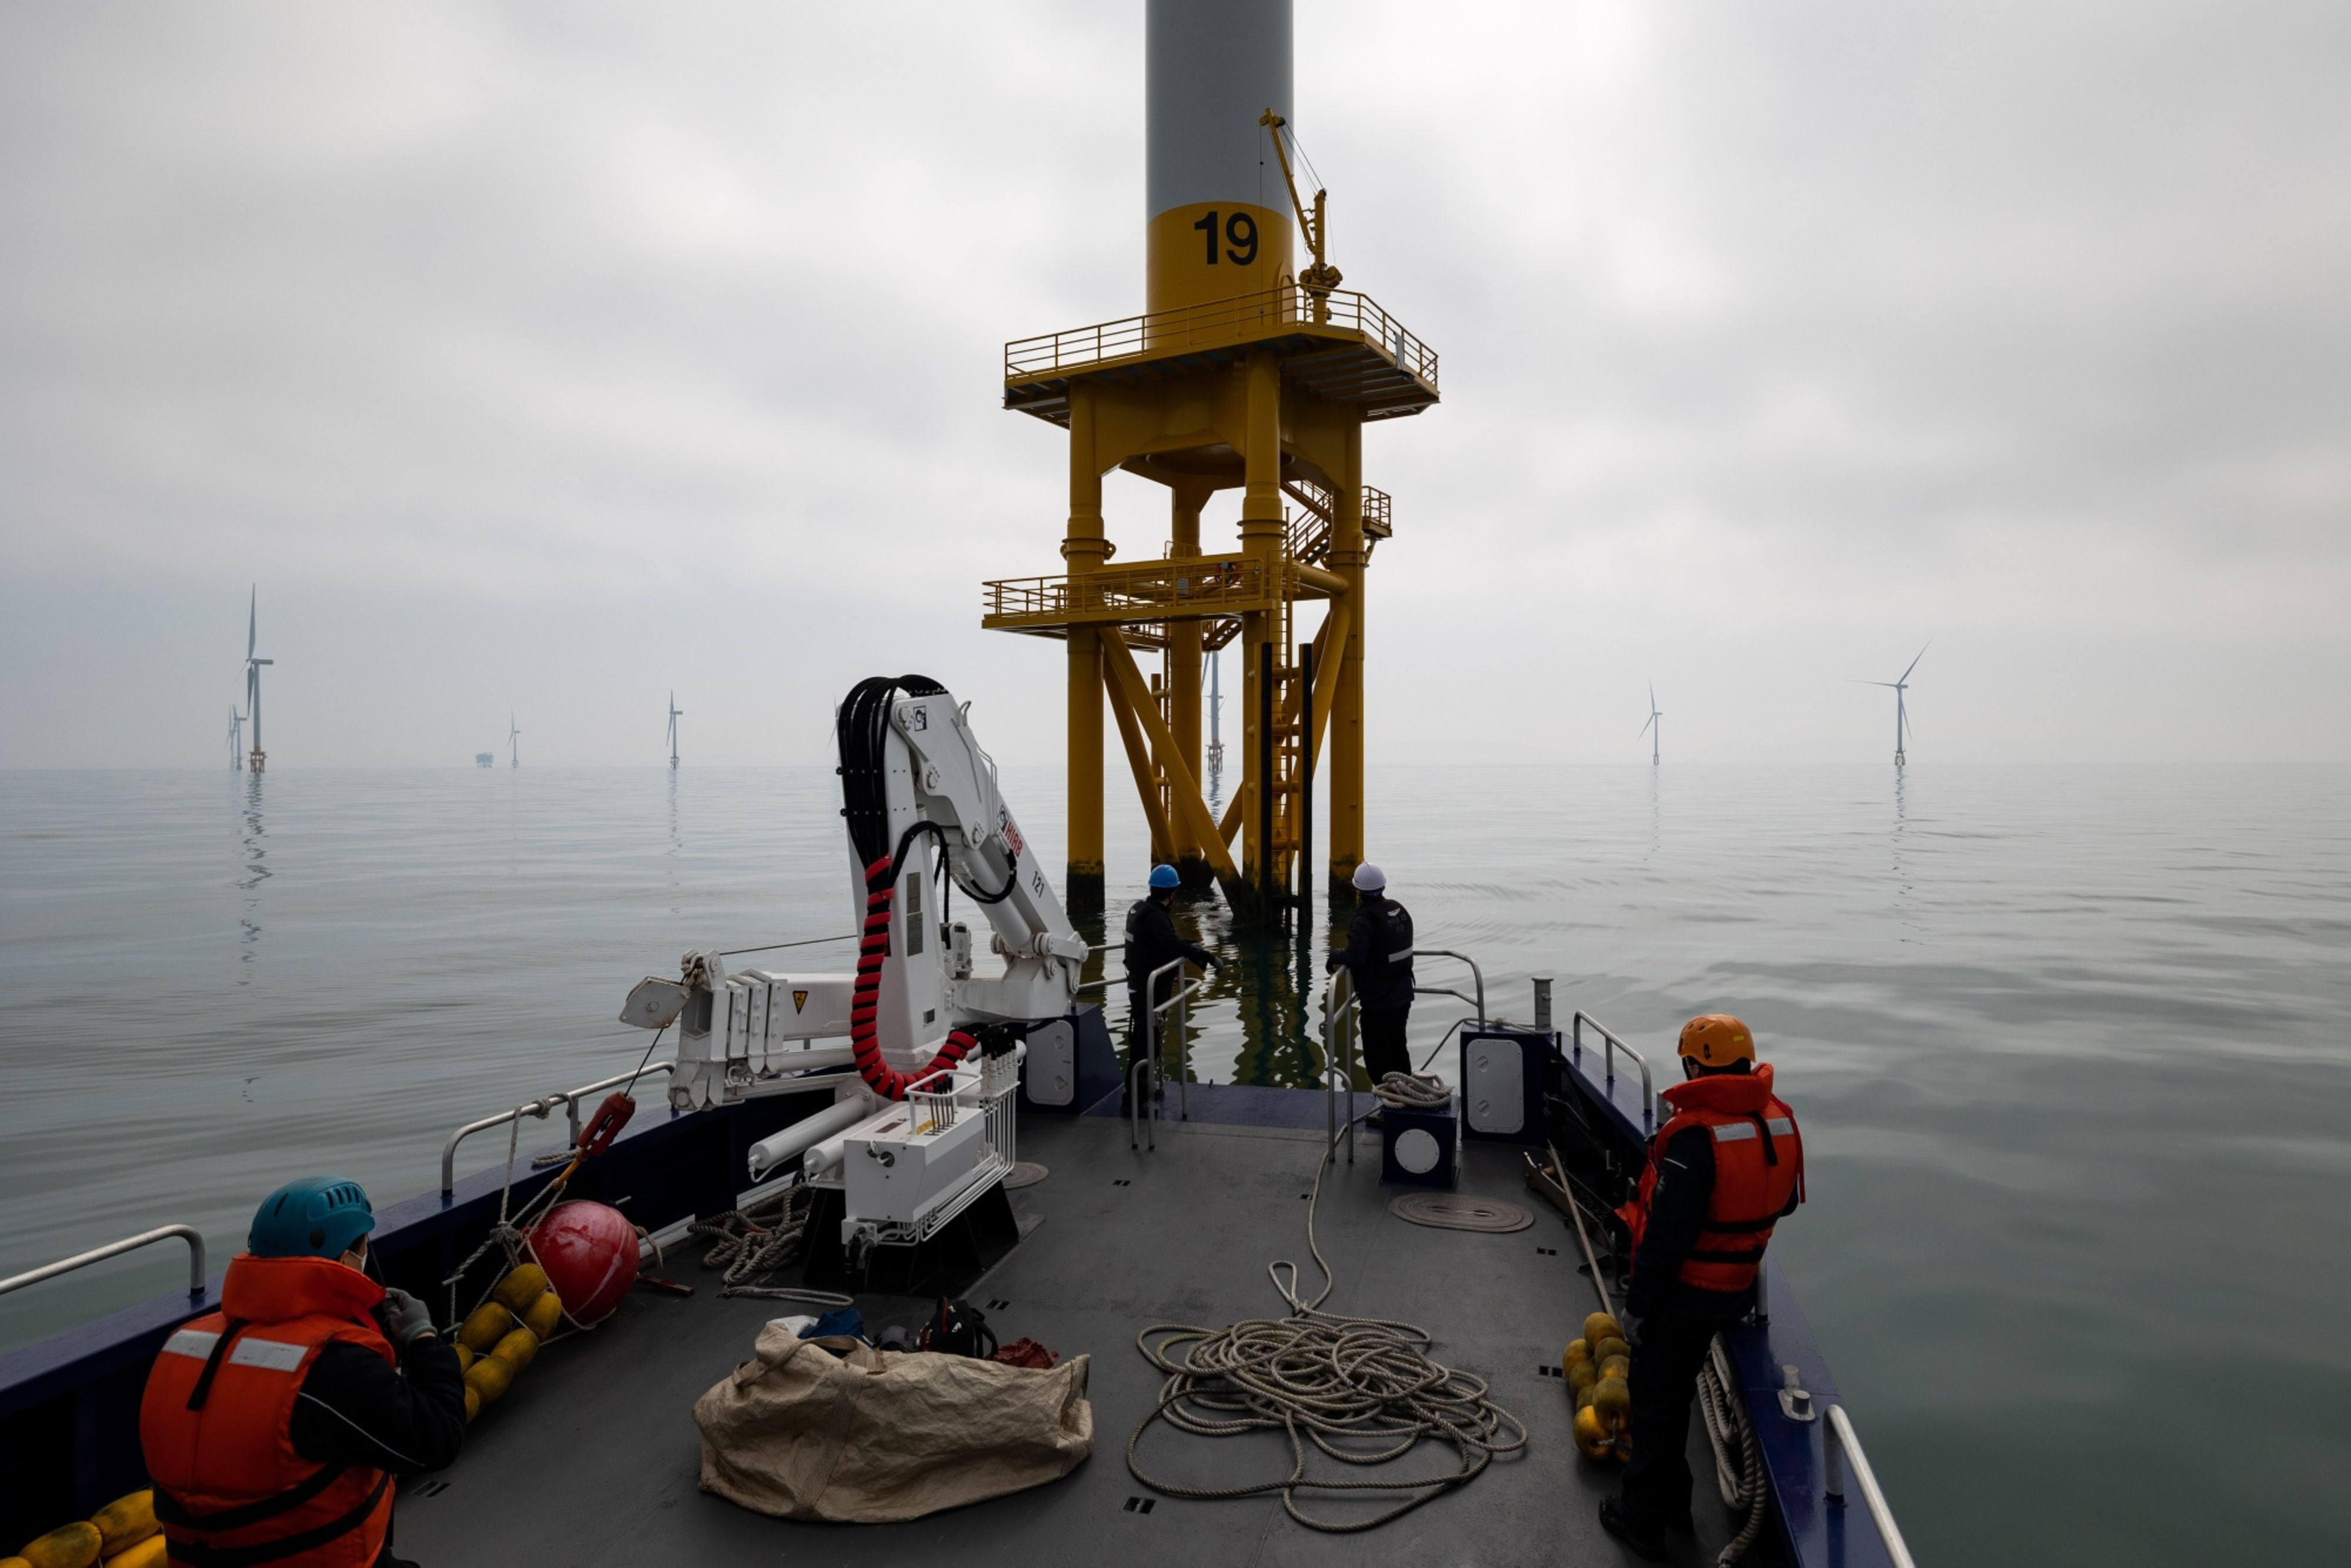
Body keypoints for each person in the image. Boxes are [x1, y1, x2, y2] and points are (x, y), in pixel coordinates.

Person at [141, 1176, 466, 1568]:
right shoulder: (331, 1365)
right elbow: (438, 1436)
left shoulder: (181, 1345)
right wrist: (423, 1337)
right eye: (364, 1246)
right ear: (347, 1260)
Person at [1599, 1015, 1805, 1560]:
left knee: (1655, 1399)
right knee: (1672, 1393)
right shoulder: (1780, 1120)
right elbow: (1783, 1201)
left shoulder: (1694, 1139)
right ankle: (1677, 1504)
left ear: (1694, 1064)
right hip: (1735, 1289)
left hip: (1686, 1293)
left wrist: (1638, 1309)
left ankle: (1643, 1519)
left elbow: (1666, 1239)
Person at [1123, 864, 1219, 1101]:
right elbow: (1171, 945)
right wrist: (1206, 956)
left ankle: (1142, 1088)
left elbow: (1161, 942)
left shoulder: (1139, 909)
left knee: (1145, 1040)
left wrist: (1189, 947)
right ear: (1173, 892)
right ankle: (1133, 1098)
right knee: (1146, 1043)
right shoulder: (1156, 917)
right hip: (1150, 988)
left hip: (1139, 983)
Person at [1324, 862, 1416, 1086]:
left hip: (1378, 1002)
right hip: (1403, 994)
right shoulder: (1398, 909)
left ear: (1358, 890)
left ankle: (1388, 1105)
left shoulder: (1365, 920)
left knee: (1377, 1058)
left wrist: (1337, 955)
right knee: (1398, 1049)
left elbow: (1356, 957)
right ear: (1383, 887)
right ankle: (1406, 1099)